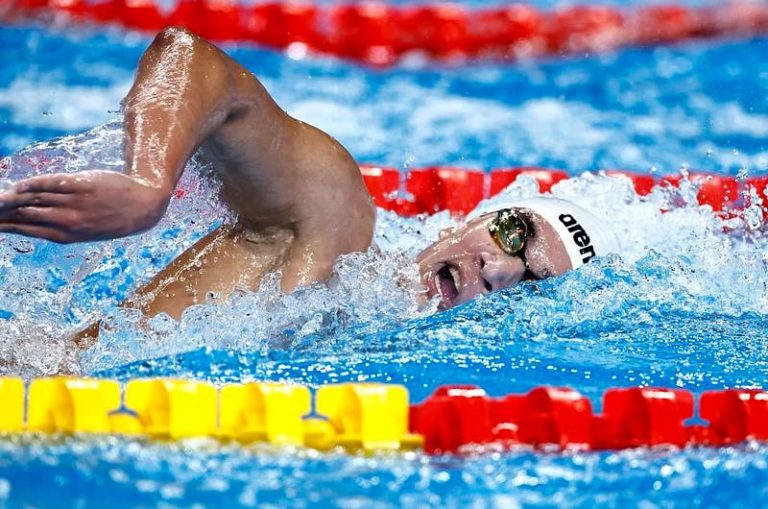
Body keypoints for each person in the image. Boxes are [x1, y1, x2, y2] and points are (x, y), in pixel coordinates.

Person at [0, 27, 618, 328]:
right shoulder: (333, 228)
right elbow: (192, 58)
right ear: (472, 219)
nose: (504, 268)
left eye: (535, 284)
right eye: (514, 233)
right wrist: (147, 182)